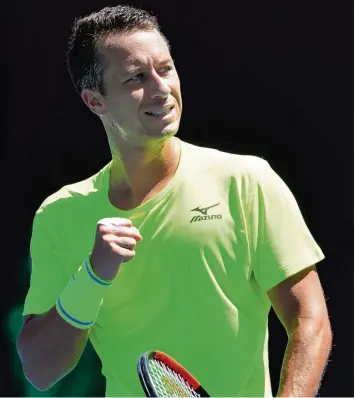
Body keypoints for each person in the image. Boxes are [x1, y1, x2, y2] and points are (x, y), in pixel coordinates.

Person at [16, 5, 332, 397]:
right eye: (136, 77)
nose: (161, 88)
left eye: (165, 69)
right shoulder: (59, 214)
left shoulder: (248, 181)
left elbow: (309, 319)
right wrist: (93, 276)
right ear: (95, 101)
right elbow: (41, 370)